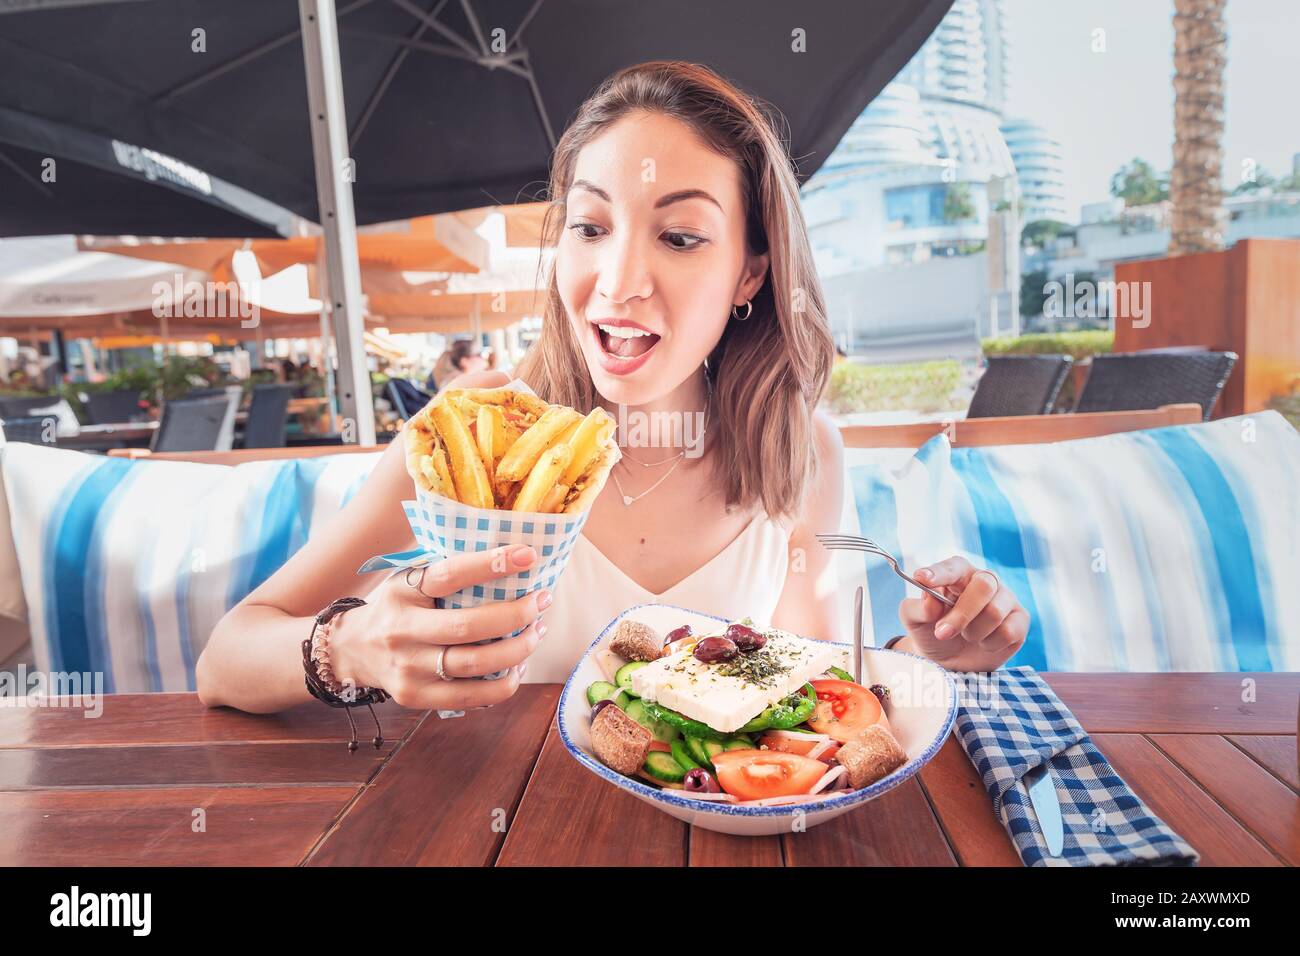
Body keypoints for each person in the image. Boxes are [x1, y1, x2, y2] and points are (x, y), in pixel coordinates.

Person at [197, 61, 1028, 714]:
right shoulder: (469, 436)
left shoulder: (799, 450)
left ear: (750, 274)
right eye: (590, 227)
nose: (619, 280)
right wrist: (352, 649)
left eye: (678, 235)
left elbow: (809, 687)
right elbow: (226, 659)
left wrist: (931, 657)